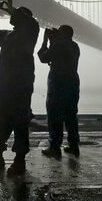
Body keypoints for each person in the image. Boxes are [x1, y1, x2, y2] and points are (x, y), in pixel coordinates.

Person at [0, 0, 39, 176]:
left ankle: (19, 161)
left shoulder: (30, 33)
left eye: (17, 15)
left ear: (23, 17)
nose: (11, 16)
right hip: (4, 86)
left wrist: (14, 9)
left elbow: (31, 22)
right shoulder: (7, 36)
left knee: (20, 122)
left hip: (21, 86)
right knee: (0, 121)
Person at [38, 25, 80, 158]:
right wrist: (54, 41)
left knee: (55, 115)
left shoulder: (58, 45)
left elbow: (43, 58)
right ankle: (74, 145)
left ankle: (55, 147)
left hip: (58, 83)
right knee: (71, 115)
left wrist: (45, 41)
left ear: (62, 33)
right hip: (72, 83)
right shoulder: (75, 46)